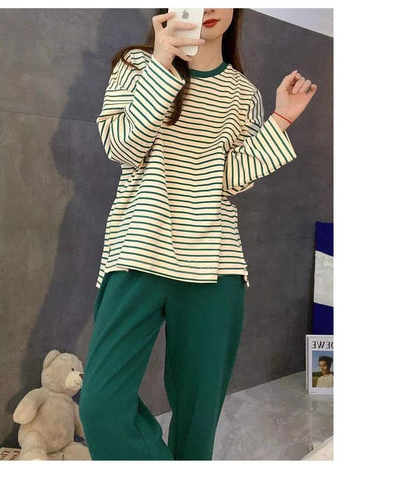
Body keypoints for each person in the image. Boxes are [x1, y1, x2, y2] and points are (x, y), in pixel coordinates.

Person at [79, 8, 317, 460]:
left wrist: (281, 120)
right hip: (138, 252)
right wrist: (162, 61)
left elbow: (231, 180)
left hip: (216, 265)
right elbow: (122, 147)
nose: (208, 7)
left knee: (196, 425)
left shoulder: (243, 93)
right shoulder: (136, 64)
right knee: (101, 407)